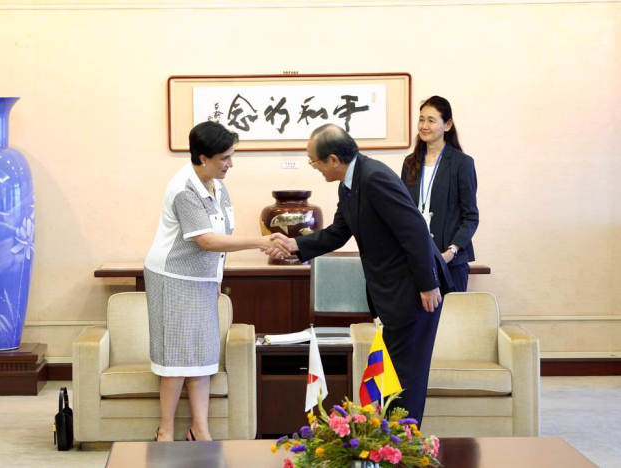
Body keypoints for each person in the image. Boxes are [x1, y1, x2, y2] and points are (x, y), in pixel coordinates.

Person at [267, 124, 451, 427]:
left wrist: (429, 284)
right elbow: (339, 232)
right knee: (392, 375)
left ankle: (404, 442)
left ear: (333, 159)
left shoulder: (374, 177)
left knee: (406, 377)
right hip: (393, 292)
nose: (314, 167)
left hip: (414, 290)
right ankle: (388, 439)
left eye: (314, 161)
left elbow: (415, 230)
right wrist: (295, 245)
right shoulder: (349, 184)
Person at [143, 121, 288, 442]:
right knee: (176, 357)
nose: (230, 164)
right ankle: (165, 431)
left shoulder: (216, 185)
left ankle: (200, 428)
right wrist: (260, 242)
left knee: (204, 354)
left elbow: (221, 238)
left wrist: (216, 277)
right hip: (173, 278)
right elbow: (207, 241)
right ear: (203, 158)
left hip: (203, 278)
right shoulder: (184, 189)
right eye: (224, 158)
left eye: (231, 156)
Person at [401, 96, 478, 292]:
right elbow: (403, 211)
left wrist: (452, 251)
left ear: (447, 125)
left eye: (431, 120)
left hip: (451, 261)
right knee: (418, 313)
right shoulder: (410, 163)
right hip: (416, 261)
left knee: (451, 313)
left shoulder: (462, 163)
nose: (424, 126)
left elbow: (471, 217)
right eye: (421, 119)